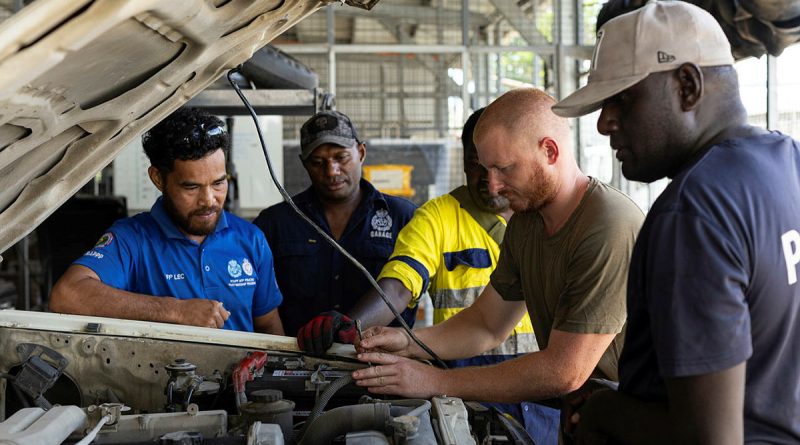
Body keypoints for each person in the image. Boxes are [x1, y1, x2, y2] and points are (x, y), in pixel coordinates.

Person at [552, 2, 800, 443]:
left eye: (622, 99)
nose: (605, 123)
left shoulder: (692, 213)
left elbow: (710, 438)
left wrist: (605, 412)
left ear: (687, 85)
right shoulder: (788, 165)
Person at [351, 88, 644, 440]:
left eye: (504, 168)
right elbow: (487, 323)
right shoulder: (527, 223)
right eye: (485, 168)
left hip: (635, 421)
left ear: (549, 151)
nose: (493, 185)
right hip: (584, 418)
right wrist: (409, 342)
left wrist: (435, 380)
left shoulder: (607, 225)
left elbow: (565, 369)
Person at [297, 108, 548, 440]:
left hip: (546, 399)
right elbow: (399, 285)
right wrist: (351, 326)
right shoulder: (437, 217)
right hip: (468, 400)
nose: (489, 180)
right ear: (463, 159)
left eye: (501, 167)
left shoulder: (552, 221)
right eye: (477, 164)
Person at [50, 107, 284, 334]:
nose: (209, 200)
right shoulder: (132, 239)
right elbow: (67, 295)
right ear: (158, 178)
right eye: (191, 186)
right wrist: (175, 311)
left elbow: (268, 327)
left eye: (218, 183)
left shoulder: (251, 239)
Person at [253, 110, 417, 338]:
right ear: (304, 164)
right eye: (318, 162)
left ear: (361, 153)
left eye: (341, 158)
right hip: (300, 364)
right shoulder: (275, 224)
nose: (331, 171)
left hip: (382, 364)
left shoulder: (403, 217)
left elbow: (403, 291)